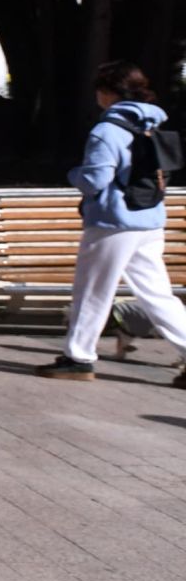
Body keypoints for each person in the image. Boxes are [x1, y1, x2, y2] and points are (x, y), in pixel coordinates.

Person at [44, 61, 186, 382]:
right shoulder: (153, 122)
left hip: (112, 222)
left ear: (108, 92)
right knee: (157, 293)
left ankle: (78, 358)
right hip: (149, 220)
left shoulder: (107, 130)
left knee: (93, 290)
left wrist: (72, 175)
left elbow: (95, 179)